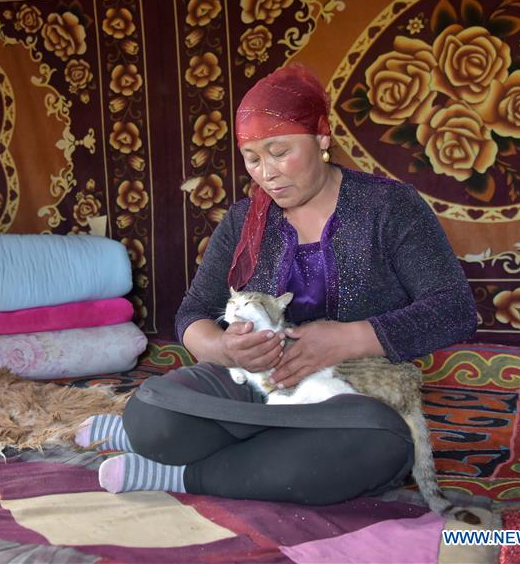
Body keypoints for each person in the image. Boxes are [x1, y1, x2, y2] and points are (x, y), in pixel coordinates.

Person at [75, 64, 477, 505]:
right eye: (253, 158)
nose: (267, 173)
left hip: (347, 398)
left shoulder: (389, 207)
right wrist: (225, 349)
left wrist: (347, 339)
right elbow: (192, 315)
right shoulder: (243, 221)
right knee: (154, 414)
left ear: (322, 138)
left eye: (280, 151)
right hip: (255, 385)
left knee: (377, 443)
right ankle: (232, 451)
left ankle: (185, 474)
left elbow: (454, 308)